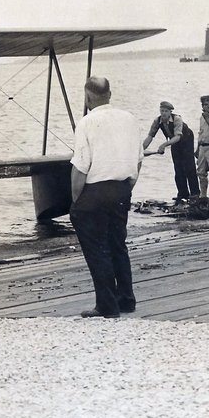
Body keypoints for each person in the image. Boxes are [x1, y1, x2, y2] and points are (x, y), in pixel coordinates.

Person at [70, 76, 144, 319]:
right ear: (110, 95)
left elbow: (80, 167)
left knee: (98, 249)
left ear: (88, 97)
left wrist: (76, 201)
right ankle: (126, 299)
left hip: (96, 190)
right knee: (117, 244)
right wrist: (128, 187)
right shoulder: (129, 119)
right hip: (122, 188)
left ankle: (107, 305)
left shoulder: (87, 122)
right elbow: (138, 160)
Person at [142, 101, 199, 202]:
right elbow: (150, 137)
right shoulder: (157, 121)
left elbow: (178, 137)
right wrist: (141, 149)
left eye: (166, 111)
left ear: (170, 112)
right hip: (174, 142)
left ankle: (195, 194)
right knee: (178, 168)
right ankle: (182, 194)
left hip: (186, 140)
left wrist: (164, 145)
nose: (163, 113)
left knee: (189, 167)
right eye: (162, 110)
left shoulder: (177, 119)